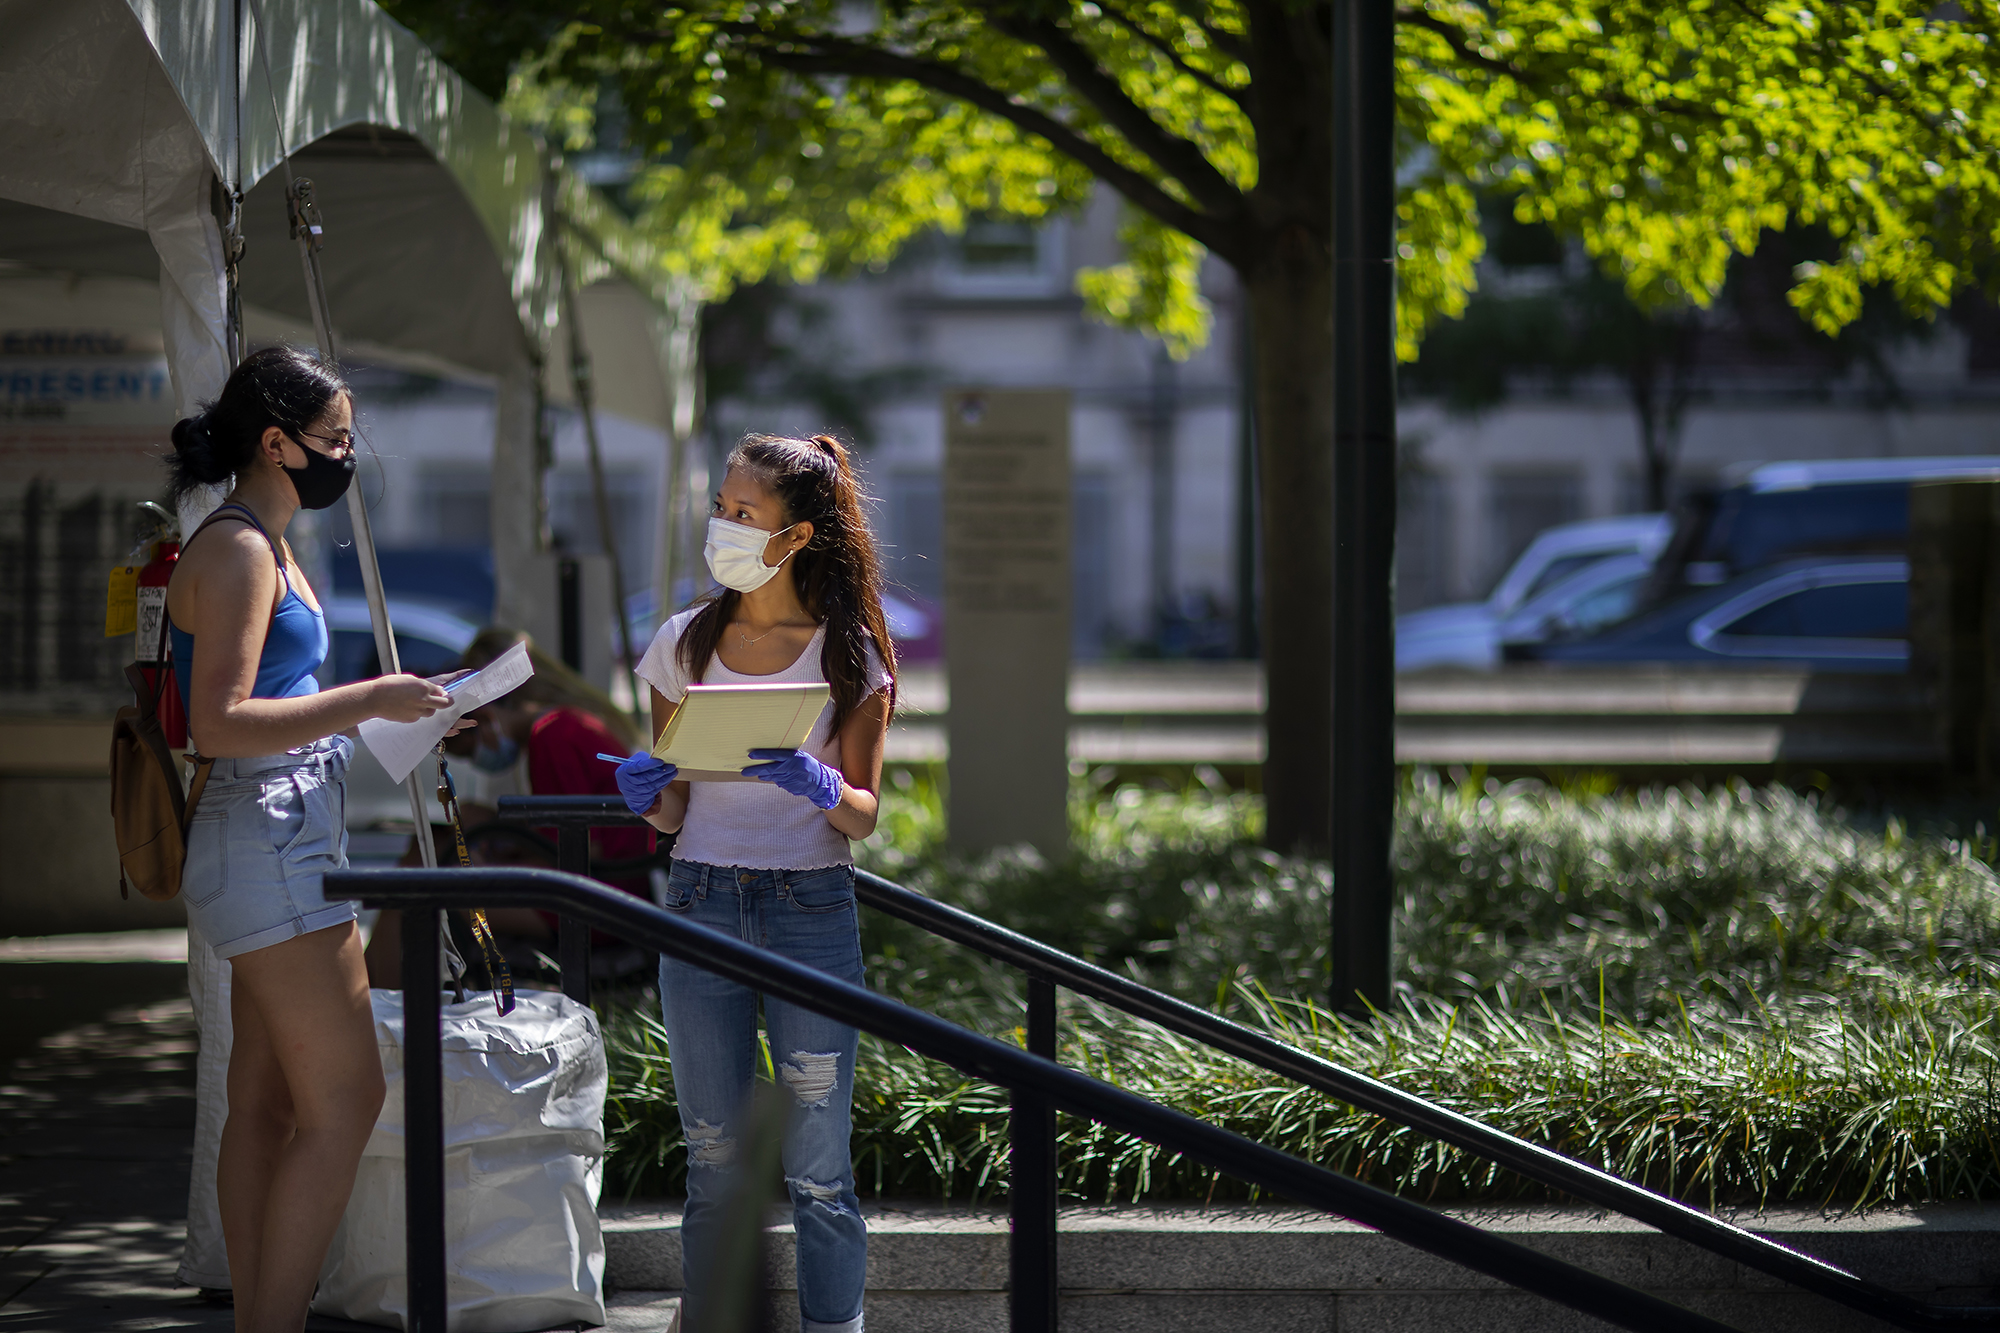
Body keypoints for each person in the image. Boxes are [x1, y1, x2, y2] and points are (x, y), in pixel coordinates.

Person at [163, 345, 468, 1333]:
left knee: (269, 1103)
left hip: (274, 833)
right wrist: (370, 697)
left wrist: (398, 717)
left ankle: (262, 1317)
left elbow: (280, 707)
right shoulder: (242, 549)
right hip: (270, 842)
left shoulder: (265, 540)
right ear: (275, 442)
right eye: (335, 439)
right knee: (346, 1102)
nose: (347, 455)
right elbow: (220, 721)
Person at [617, 433, 896, 1333]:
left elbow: (862, 813)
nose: (724, 526)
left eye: (745, 513)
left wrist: (824, 789)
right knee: (713, 1159)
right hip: (700, 904)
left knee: (819, 1169)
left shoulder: (848, 652)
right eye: (721, 507)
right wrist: (648, 793)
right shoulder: (682, 643)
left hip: (810, 908)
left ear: (797, 535)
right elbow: (670, 816)